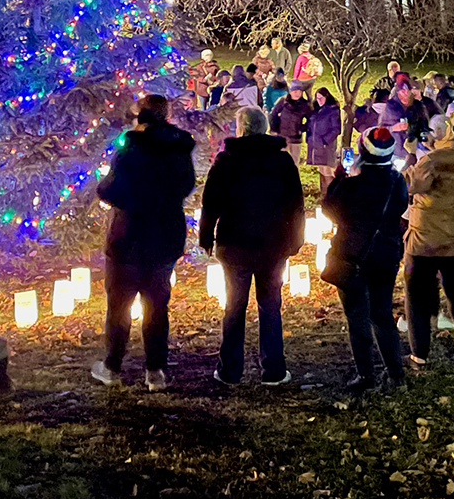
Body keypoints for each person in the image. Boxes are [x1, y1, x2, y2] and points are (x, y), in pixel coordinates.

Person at [91, 95, 195, 390]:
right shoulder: (178, 148)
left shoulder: (130, 149)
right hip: (164, 235)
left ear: (142, 117)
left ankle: (112, 366)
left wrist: (106, 186)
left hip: (129, 237)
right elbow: (186, 185)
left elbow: (111, 190)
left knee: (119, 305)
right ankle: (155, 370)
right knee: (157, 304)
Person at [200, 105, 304, 386]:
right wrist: (295, 240)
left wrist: (206, 237)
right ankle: (273, 369)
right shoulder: (281, 162)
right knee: (270, 305)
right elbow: (296, 205)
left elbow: (211, 203)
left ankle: (230, 369)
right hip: (272, 245)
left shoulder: (227, 161)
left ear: (241, 128)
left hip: (236, 245)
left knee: (234, 306)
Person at [321, 126, 408, 390]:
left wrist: (339, 178)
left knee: (357, 317)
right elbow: (401, 208)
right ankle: (396, 375)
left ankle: (365, 375)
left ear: (362, 151)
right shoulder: (397, 181)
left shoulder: (352, 184)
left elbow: (330, 210)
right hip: (385, 254)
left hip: (352, 257)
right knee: (382, 315)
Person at [403, 108, 454, 366]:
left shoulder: (434, 160)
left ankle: (420, 353)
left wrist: (411, 152)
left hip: (427, 237)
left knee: (417, 296)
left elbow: (411, 184)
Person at [305, 88, 342, 191]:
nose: (319, 100)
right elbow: (310, 125)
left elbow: (336, 129)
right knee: (321, 170)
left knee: (328, 171)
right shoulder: (315, 111)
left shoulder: (333, 110)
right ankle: (323, 196)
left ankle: (330, 196)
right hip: (315, 146)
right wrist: (308, 137)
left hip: (326, 147)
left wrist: (324, 141)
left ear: (327, 97)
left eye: (321, 98)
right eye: (317, 98)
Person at [377, 82, 423, 158]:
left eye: (407, 91)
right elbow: (379, 130)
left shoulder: (417, 107)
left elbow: (423, 125)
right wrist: (393, 128)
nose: (405, 94)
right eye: (402, 92)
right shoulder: (389, 109)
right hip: (394, 152)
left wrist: (411, 127)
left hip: (414, 151)